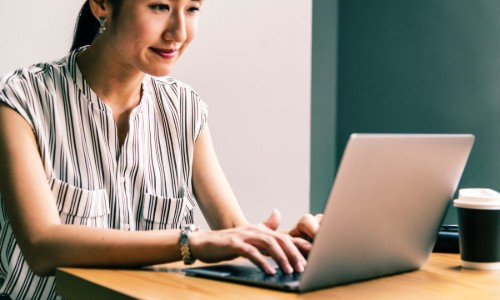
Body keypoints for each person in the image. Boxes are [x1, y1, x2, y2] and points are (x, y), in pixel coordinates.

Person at [0, 0, 322, 299]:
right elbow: (42, 247)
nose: (179, 33)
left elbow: (232, 233)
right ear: (101, 4)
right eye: (159, 6)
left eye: (192, 8)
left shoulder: (185, 109)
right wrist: (189, 242)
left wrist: (282, 245)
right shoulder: (22, 101)